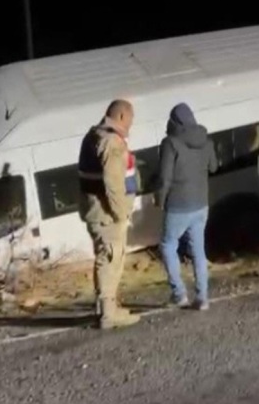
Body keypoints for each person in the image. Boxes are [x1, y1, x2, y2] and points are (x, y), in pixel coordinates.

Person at [77, 99, 142, 329]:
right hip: (107, 214)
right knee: (111, 258)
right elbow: (113, 182)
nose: (131, 126)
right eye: (131, 120)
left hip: (94, 209)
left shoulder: (92, 135)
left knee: (104, 257)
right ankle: (108, 313)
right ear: (122, 117)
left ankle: (105, 307)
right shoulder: (111, 141)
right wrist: (121, 212)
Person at [154, 102, 218, 310]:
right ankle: (202, 298)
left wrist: (159, 200)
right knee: (198, 250)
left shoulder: (170, 143)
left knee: (167, 245)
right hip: (201, 204)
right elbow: (214, 167)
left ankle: (179, 293)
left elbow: (164, 178)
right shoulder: (206, 141)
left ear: (174, 122)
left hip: (177, 205)